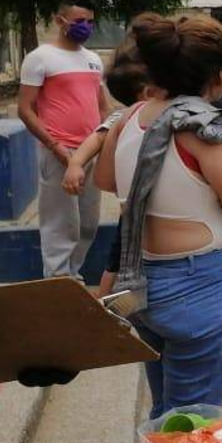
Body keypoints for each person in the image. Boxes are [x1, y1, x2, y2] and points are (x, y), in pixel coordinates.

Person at [94, 13, 222, 419]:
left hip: (142, 284)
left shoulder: (131, 117)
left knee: (167, 411)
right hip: (199, 288)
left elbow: (105, 179)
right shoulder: (205, 130)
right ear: (218, 72)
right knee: (191, 423)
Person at [18, 0, 111, 279]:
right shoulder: (40, 58)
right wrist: (54, 145)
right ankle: (58, 281)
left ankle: (73, 276)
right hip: (58, 152)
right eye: (79, 21)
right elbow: (25, 109)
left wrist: (103, 142)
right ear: (60, 21)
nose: (86, 27)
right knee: (60, 225)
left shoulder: (93, 60)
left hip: (90, 152)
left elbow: (103, 106)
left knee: (88, 223)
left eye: (90, 22)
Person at [61, 50, 153, 298]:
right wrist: (75, 163)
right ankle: (104, 304)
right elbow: (97, 137)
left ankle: (107, 302)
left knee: (120, 257)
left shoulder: (160, 114)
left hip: (142, 205)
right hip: (135, 206)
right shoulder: (124, 117)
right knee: (118, 257)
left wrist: (76, 164)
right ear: (146, 92)